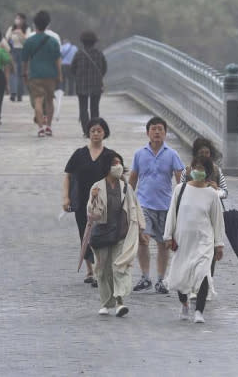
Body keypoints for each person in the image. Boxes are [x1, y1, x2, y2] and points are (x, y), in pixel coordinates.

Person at [164, 156, 225, 324]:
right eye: (195, 167)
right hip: (183, 240)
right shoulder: (180, 189)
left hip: (204, 241)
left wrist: (219, 245)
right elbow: (172, 214)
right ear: (190, 169)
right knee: (180, 276)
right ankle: (184, 304)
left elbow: (217, 221)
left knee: (203, 273)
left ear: (207, 172)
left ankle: (199, 311)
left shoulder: (212, 194)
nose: (198, 171)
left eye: (202, 168)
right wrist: (168, 236)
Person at [129, 117, 185, 294]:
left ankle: (161, 279)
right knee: (142, 240)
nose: (157, 132)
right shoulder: (139, 154)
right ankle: (145, 277)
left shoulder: (172, 154)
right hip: (144, 204)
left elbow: (180, 179)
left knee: (163, 244)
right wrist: (127, 201)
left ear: (165, 133)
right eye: (153, 129)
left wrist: (182, 202)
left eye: (160, 129)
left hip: (166, 206)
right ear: (147, 132)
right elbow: (133, 179)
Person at [87, 152, 144, 317]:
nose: (117, 166)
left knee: (119, 266)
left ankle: (120, 302)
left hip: (122, 234)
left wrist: (141, 229)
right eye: (114, 163)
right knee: (103, 270)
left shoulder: (126, 187)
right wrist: (93, 199)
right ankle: (106, 303)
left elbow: (135, 208)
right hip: (103, 234)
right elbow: (93, 214)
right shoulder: (97, 187)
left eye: (120, 162)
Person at [64, 118, 116, 285]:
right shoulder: (79, 154)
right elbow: (68, 175)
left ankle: (100, 268)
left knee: (100, 235)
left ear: (104, 133)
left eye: (99, 131)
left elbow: (118, 176)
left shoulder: (110, 155)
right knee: (85, 235)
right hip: (82, 202)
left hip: (103, 203)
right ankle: (89, 270)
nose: (95, 133)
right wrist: (66, 197)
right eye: (93, 130)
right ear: (88, 133)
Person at [22, 10, 62, 137]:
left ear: (34, 24)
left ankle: (40, 128)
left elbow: (25, 60)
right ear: (47, 24)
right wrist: (59, 75)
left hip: (35, 75)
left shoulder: (29, 41)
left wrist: (24, 73)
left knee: (38, 101)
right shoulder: (53, 41)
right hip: (51, 75)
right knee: (50, 101)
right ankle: (48, 127)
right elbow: (58, 60)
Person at [71, 30, 107, 137]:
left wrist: (78, 77)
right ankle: (94, 129)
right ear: (95, 42)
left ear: (82, 42)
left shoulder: (79, 54)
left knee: (83, 108)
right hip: (96, 85)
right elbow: (104, 68)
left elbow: (73, 68)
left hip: (81, 85)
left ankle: (86, 131)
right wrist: (98, 78)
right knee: (95, 108)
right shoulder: (99, 54)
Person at [6, 13, 29, 102]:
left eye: (19, 18)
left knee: (20, 74)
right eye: (16, 18)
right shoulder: (11, 28)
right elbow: (7, 39)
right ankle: (13, 93)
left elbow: (26, 41)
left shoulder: (27, 29)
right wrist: (12, 32)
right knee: (13, 72)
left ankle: (19, 94)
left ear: (23, 20)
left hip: (22, 51)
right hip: (13, 51)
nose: (17, 20)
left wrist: (20, 33)